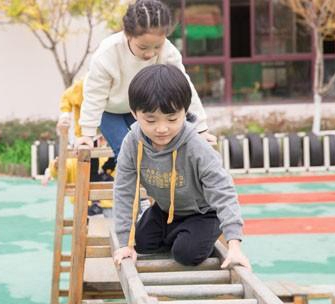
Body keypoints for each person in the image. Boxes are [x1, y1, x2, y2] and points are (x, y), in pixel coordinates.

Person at [112, 64, 251, 271]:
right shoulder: (132, 142)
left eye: (172, 119)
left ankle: (192, 234)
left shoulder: (196, 146)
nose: (161, 128)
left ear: (185, 112)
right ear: (134, 113)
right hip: (165, 210)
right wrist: (125, 243)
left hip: (202, 213)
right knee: (141, 242)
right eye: (150, 120)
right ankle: (178, 232)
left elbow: (223, 191)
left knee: (186, 254)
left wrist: (234, 244)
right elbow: (124, 190)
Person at [76, 0, 217, 161]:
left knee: (155, 151)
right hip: (109, 111)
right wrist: (87, 133)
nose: (150, 54)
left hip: (143, 109)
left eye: (157, 47)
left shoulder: (169, 52)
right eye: (143, 47)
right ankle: (128, 185)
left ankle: (156, 185)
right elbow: (95, 95)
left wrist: (201, 129)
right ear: (128, 35)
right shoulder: (108, 53)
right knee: (127, 151)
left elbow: (184, 90)